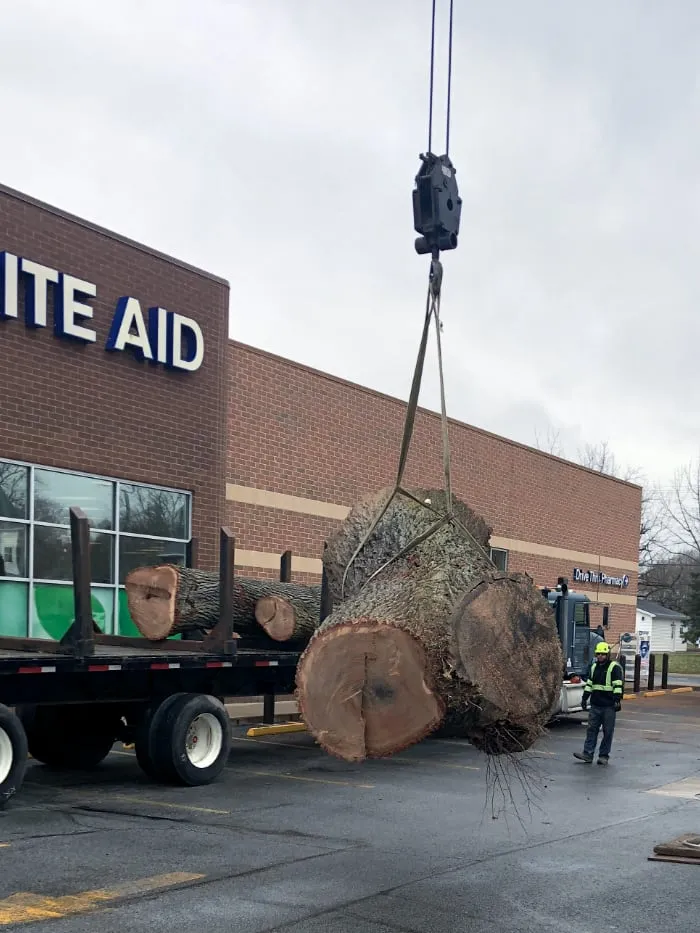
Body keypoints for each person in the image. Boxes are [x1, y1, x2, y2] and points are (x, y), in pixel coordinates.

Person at [573, 642, 623, 766]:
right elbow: (590, 684)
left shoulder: (614, 667)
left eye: (603, 654)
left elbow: (617, 685)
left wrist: (617, 700)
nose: (600, 656)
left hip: (609, 706)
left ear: (607, 654)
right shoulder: (594, 667)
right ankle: (587, 754)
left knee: (608, 731)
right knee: (591, 730)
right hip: (596, 705)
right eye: (598, 654)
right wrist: (584, 698)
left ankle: (603, 756)